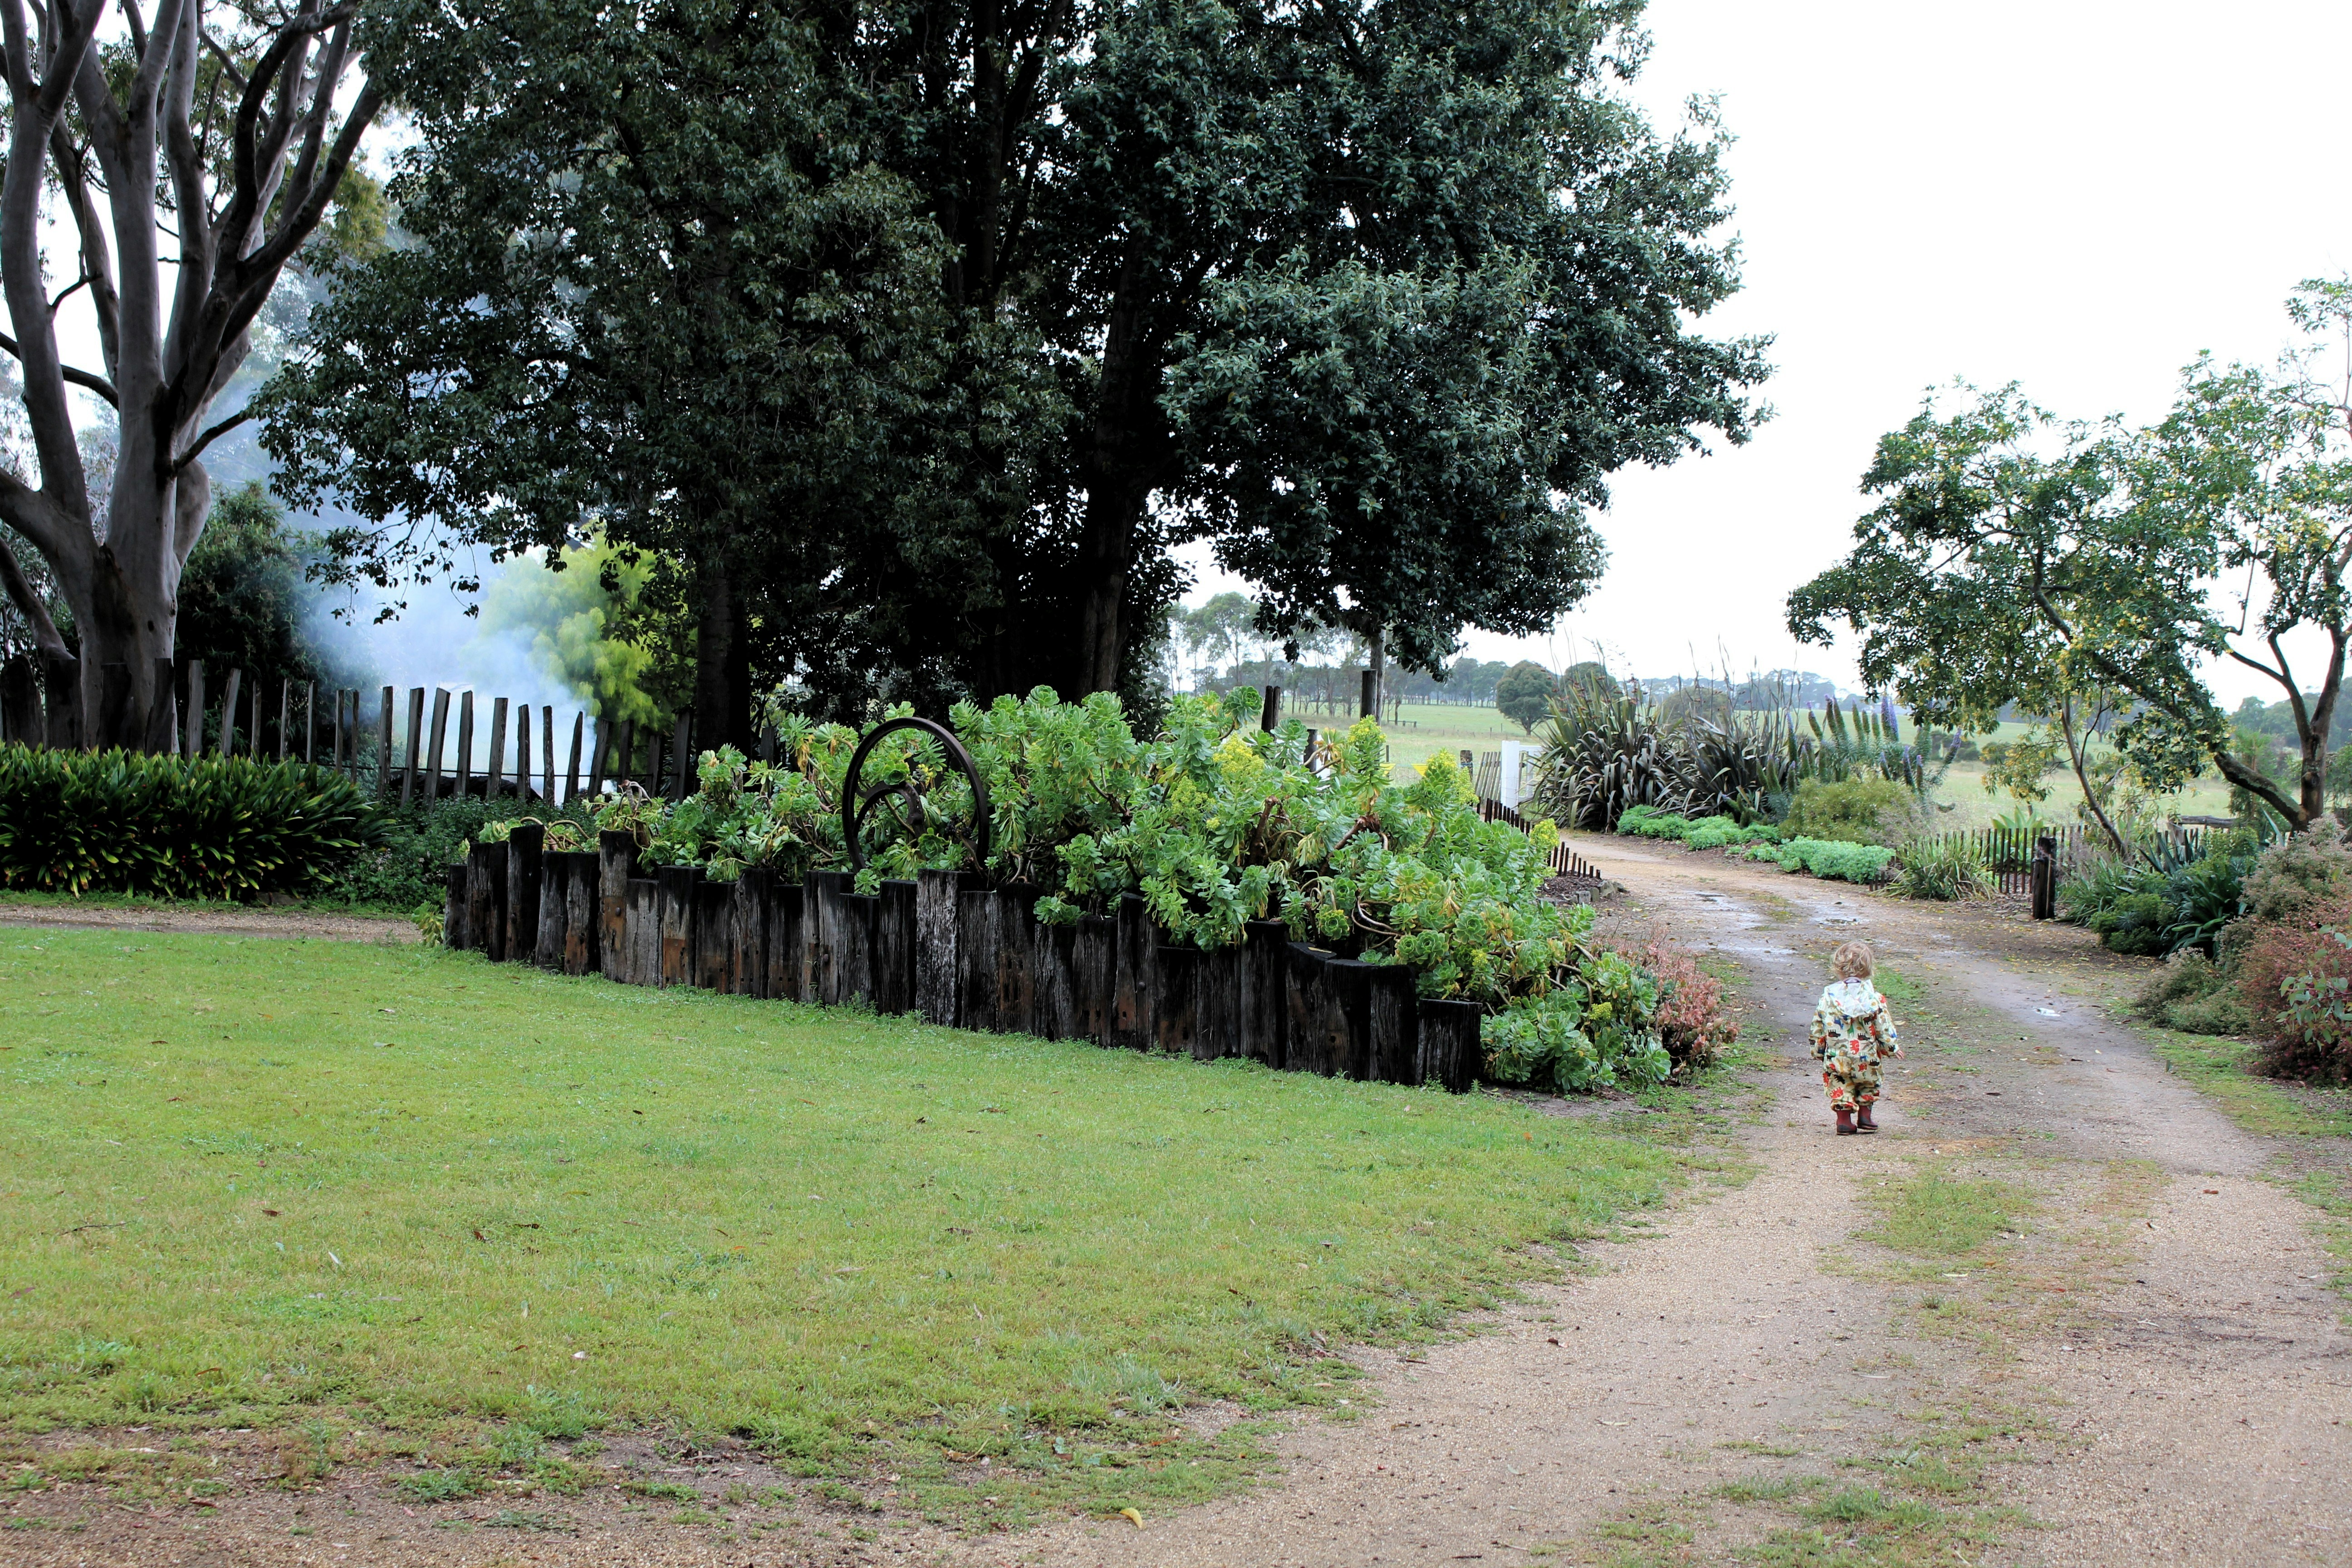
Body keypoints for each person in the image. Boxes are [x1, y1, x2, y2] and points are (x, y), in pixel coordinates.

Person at [1809, 941, 1901, 1134]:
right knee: (1868, 1084)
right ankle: (1865, 1117)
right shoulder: (1875, 999)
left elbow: (1819, 1024)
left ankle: (1844, 1122)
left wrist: (1818, 1049)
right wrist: (1891, 1047)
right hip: (1867, 1056)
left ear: (1838, 968)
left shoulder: (1828, 998)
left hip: (1837, 1055)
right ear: (1868, 969)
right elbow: (1883, 1025)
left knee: (1840, 1085)